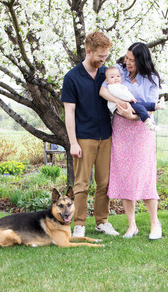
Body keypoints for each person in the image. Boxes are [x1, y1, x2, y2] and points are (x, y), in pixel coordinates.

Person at [100, 42, 163, 240]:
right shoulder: (118, 71)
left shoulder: (152, 79)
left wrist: (133, 117)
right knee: (125, 175)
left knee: (146, 176)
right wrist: (120, 105)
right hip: (122, 131)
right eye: (126, 58)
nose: (127, 63)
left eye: (131, 60)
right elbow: (103, 91)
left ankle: (155, 223)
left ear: (141, 61)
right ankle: (131, 225)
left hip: (142, 130)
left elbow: (150, 109)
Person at [61, 31, 119, 237]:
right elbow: (69, 112)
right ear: (88, 51)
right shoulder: (72, 77)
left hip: (106, 136)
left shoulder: (106, 75)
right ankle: (79, 224)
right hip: (84, 138)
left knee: (104, 183)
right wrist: (73, 142)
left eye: (106, 56)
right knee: (82, 184)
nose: (103, 60)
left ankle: (102, 222)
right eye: (100, 56)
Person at [105, 66, 165, 131]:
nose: (116, 78)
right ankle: (147, 122)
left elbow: (126, 92)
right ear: (107, 81)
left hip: (127, 102)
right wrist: (130, 98)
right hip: (119, 107)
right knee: (140, 108)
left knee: (143, 104)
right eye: (112, 77)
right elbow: (120, 94)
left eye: (118, 76)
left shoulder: (119, 85)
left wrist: (132, 98)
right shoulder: (112, 87)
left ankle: (157, 106)